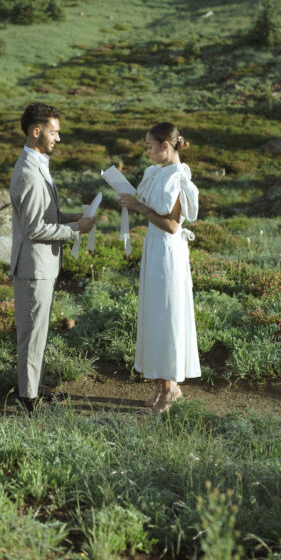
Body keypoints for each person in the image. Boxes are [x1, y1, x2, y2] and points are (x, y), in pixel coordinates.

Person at [10, 102, 94, 413]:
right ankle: (28, 400)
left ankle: (32, 390)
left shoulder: (38, 164)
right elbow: (34, 228)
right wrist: (74, 229)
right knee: (32, 334)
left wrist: (73, 217)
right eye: (53, 132)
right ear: (36, 131)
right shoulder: (29, 172)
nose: (58, 138)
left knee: (38, 331)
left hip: (42, 265)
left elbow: (47, 215)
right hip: (34, 266)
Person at [118, 122, 201, 414]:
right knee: (155, 313)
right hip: (154, 249)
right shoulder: (155, 173)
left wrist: (139, 208)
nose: (146, 152)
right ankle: (164, 386)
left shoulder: (178, 177)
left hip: (168, 252)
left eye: (149, 146)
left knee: (167, 314)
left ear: (166, 146)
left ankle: (169, 388)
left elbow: (171, 224)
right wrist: (131, 200)